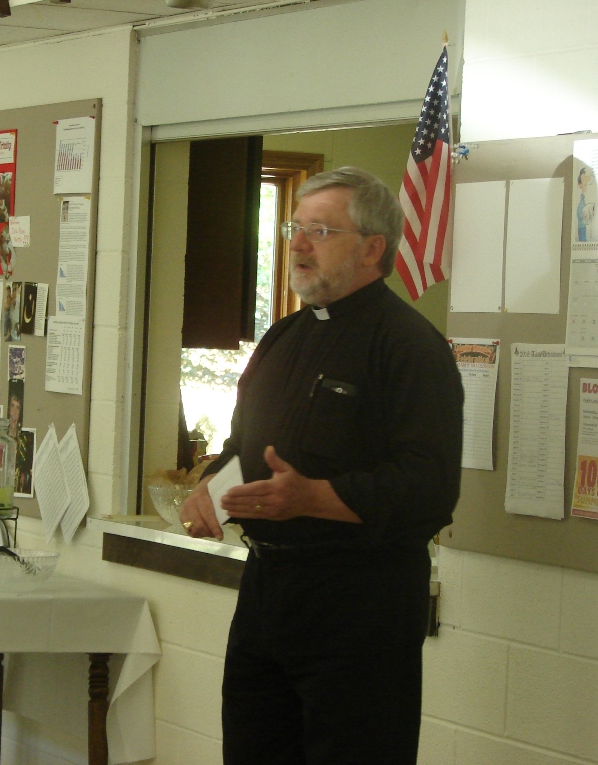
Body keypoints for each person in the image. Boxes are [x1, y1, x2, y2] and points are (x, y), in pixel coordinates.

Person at [179, 167, 463, 765]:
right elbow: (241, 449)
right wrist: (210, 488)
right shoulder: (281, 339)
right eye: (295, 229)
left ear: (372, 248)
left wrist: (312, 498)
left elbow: (430, 489)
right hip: (266, 595)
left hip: (361, 607)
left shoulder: (411, 347)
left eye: (321, 231)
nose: (299, 245)